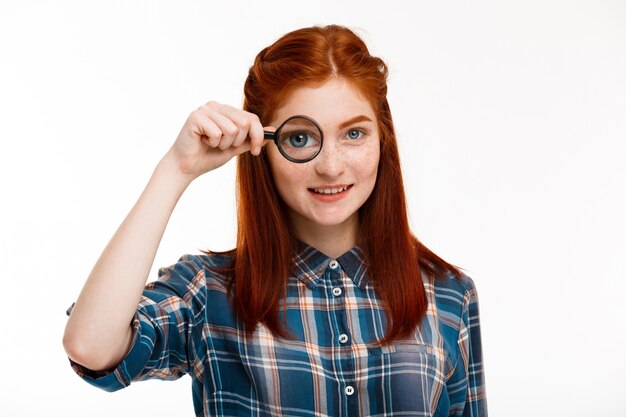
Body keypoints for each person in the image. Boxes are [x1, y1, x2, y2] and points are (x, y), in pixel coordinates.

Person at [63, 24, 487, 417]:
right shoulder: (208, 292)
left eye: (354, 134)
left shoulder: (448, 295)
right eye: (300, 138)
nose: (331, 166)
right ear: (263, 145)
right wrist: (176, 169)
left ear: (383, 141)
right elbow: (91, 347)